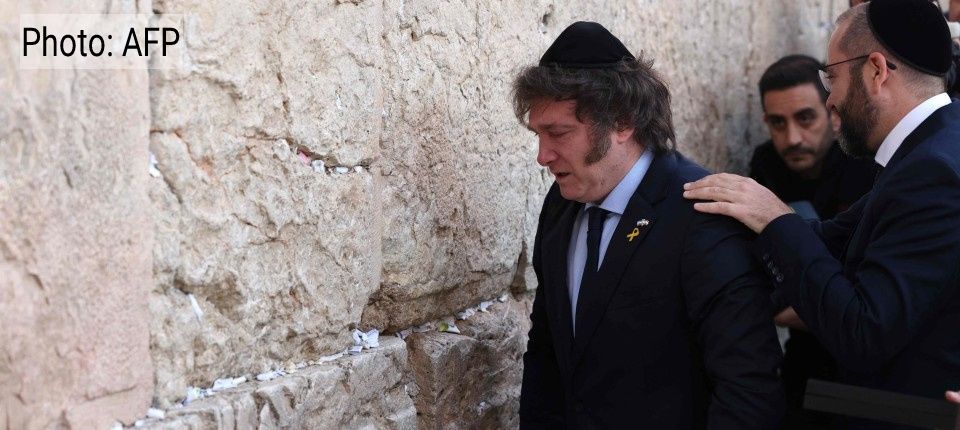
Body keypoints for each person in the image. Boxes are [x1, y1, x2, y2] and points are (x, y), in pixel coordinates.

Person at [683, 1, 960, 428]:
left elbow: (864, 333)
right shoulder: (933, 145)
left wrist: (774, 218)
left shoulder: (931, 170)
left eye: (832, 77)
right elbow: (833, 239)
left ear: (876, 71)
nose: (831, 99)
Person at [515, 21, 783, 429]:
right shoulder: (561, 205)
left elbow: (748, 387)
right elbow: (547, 351)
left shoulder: (701, 216)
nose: (542, 155)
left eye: (559, 133)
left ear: (622, 122)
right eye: (538, 134)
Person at [751, 54, 878, 429]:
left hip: (870, 370)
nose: (792, 138)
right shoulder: (767, 165)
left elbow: (869, 299)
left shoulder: (865, 164)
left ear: (832, 111)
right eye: (778, 123)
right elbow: (762, 281)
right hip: (805, 360)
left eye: (805, 118)